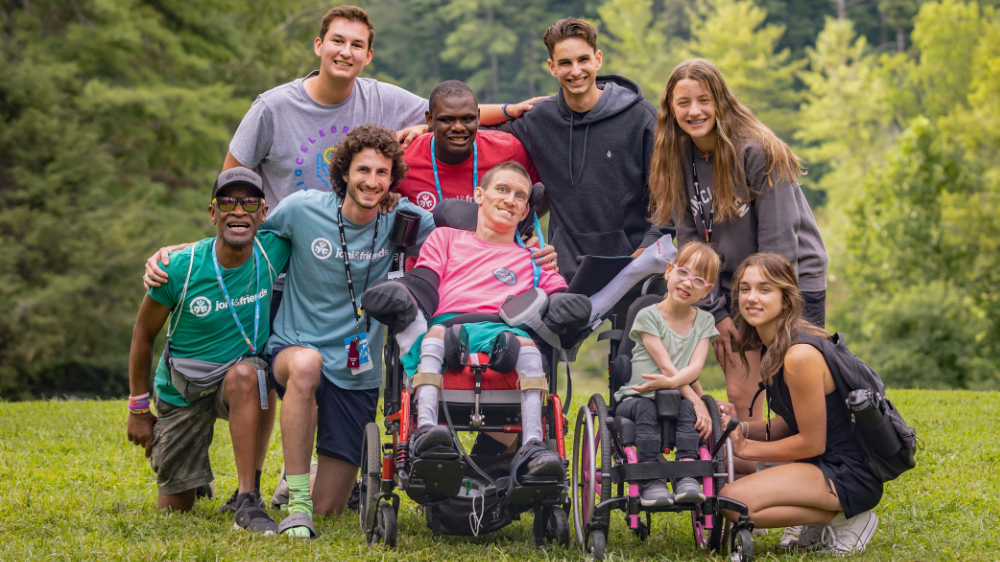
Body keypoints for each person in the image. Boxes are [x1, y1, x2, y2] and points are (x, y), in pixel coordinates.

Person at [255, 125, 437, 538]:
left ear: (393, 178)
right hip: (295, 348)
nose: (372, 181)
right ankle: (298, 508)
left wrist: (529, 247)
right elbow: (244, 242)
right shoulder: (302, 209)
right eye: (363, 170)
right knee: (307, 363)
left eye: (382, 173)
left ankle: (300, 480)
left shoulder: (405, 220)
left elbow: (457, 246)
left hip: (357, 367)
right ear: (344, 172)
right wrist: (178, 253)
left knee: (332, 506)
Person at [647, 58, 829, 443]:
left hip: (788, 279)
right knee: (741, 392)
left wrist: (756, 303)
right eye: (683, 103)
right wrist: (716, 311)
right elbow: (691, 245)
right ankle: (749, 476)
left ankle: (811, 473)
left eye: (704, 100)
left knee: (791, 389)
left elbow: (780, 243)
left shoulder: (757, 150)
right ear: (670, 108)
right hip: (729, 285)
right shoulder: (677, 157)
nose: (694, 111)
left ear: (721, 101)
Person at [126, 168, 290, 534]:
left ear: (263, 214)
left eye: (249, 202)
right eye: (228, 201)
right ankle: (190, 470)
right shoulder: (179, 269)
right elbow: (142, 336)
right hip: (183, 389)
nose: (238, 211)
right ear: (213, 213)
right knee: (175, 510)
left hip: (237, 380)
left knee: (251, 374)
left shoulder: (272, 251)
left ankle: (248, 498)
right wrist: (138, 408)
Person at [401, 161, 567, 480]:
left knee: (527, 345)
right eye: (502, 189)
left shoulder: (532, 258)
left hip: (503, 332)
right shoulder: (446, 238)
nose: (510, 199)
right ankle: (425, 430)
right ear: (479, 194)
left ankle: (533, 443)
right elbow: (424, 280)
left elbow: (557, 293)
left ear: (525, 212)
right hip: (450, 327)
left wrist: (567, 301)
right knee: (436, 335)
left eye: (520, 196)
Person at [718, 252, 882, 555]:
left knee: (732, 502)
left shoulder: (799, 355)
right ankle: (823, 518)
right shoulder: (776, 346)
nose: (752, 297)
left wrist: (747, 448)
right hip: (821, 465)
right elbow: (791, 423)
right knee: (727, 481)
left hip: (846, 473)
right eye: (745, 288)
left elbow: (811, 442)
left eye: (764, 289)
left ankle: (846, 519)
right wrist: (740, 428)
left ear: (786, 298)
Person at [492, 18, 669, 283]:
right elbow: (462, 125)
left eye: (583, 60)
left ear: (598, 59)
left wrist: (649, 247)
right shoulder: (539, 120)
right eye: (565, 63)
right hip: (564, 270)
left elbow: (670, 193)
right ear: (552, 67)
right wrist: (425, 128)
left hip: (634, 265)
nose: (576, 71)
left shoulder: (640, 117)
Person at [612, 241, 720, 507]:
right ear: (669, 270)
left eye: (698, 280)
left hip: (676, 394)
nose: (687, 283)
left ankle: (686, 475)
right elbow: (667, 367)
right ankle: (652, 480)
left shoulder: (705, 321)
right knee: (649, 409)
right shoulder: (647, 316)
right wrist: (696, 400)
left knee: (687, 412)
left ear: (707, 291)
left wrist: (700, 402)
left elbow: (695, 368)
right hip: (637, 396)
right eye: (683, 273)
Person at [399, 80, 540, 213]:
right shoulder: (402, 159)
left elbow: (544, 194)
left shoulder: (510, 150)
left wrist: (520, 229)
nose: (458, 127)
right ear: (430, 119)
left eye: (467, 119)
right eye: (446, 120)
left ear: (478, 117)